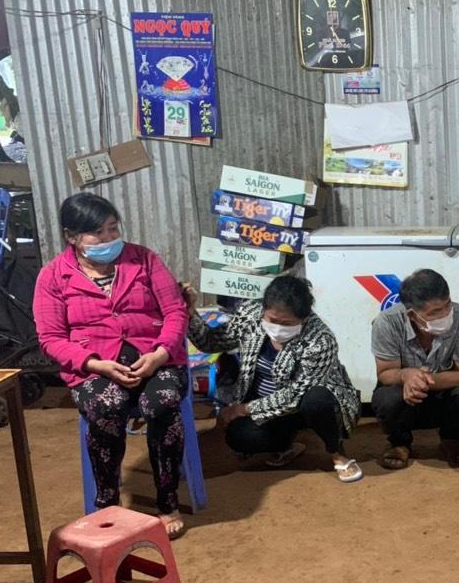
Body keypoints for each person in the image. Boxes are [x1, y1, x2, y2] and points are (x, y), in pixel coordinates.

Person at [34, 192, 190, 538]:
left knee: (163, 402)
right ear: (71, 236)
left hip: (155, 356)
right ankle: (108, 504)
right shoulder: (53, 276)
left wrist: (161, 353)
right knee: (108, 406)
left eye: (112, 229)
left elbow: (175, 312)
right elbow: (51, 338)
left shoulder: (145, 259)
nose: (108, 238)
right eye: (97, 232)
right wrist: (95, 364)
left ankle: (168, 500)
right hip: (94, 366)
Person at [183, 275, 363, 482]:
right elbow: (211, 342)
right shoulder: (250, 314)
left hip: (309, 403)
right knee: (239, 436)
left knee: (317, 400)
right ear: (263, 310)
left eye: (287, 323)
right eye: (272, 320)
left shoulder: (321, 339)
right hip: (266, 404)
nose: (277, 328)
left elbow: (297, 394)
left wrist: (243, 409)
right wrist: (190, 312)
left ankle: (337, 451)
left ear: (305, 319)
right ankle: (286, 444)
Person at [370, 268, 459, 469]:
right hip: (404, 396)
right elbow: (385, 373)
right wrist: (406, 375)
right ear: (412, 314)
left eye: (447, 305)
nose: (445, 314)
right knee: (386, 400)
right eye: (435, 312)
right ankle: (399, 443)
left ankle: (452, 440)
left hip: (444, 393)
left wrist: (421, 381)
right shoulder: (386, 322)